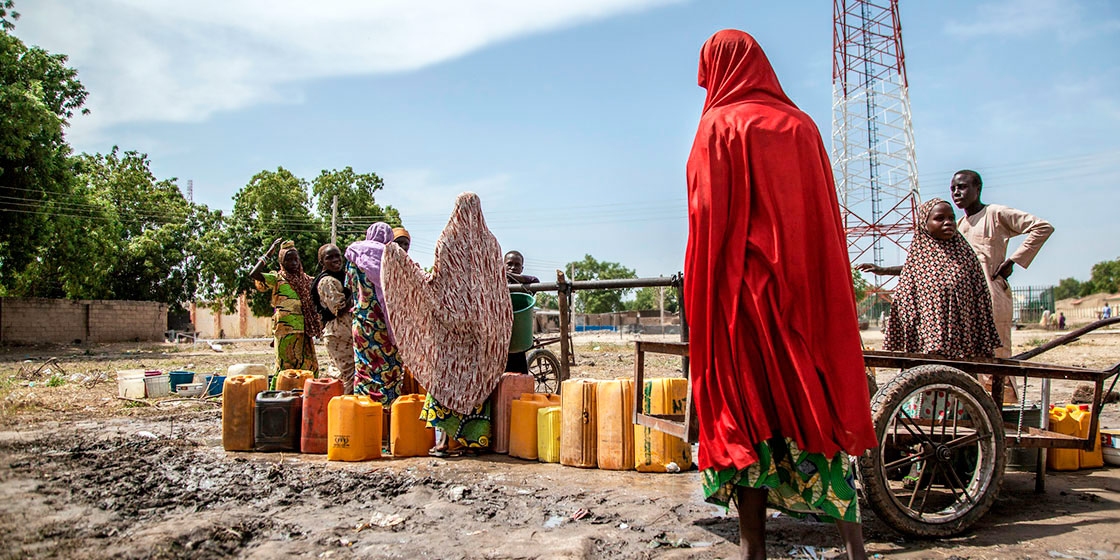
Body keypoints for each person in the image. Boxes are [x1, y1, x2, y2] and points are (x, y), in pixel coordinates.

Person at [684, 30, 877, 560]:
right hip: (807, 306)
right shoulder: (804, 127)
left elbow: (707, 226)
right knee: (817, 406)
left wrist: (704, 305)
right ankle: (854, 547)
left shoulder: (717, 127)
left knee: (749, 416)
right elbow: (824, 229)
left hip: (743, 307)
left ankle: (754, 550)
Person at [859, 199, 1002, 358]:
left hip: (963, 344)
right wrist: (883, 270)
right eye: (940, 218)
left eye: (951, 218)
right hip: (927, 345)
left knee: (963, 380)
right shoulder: (919, 259)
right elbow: (905, 297)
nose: (948, 223)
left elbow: (980, 297)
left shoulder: (966, 255)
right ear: (924, 224)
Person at [950, 170, 1053, 358]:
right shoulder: (958, 226)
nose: (957, 193)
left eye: (962, 187)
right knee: (971, 355)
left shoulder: (995, 213)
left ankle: (1002, 388)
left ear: (978, 189)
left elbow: (1043, 227)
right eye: (953, 189)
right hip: (965, 298)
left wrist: (1014, 260)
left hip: (992, 293)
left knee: (997, 353)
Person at [345, 223, 409, 404]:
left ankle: (363, 410)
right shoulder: (390, 257)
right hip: (384, 325)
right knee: (389, 370)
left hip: (361, 324)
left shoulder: (354, 257)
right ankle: (388, 413)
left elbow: (349, 287)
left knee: (364, 369)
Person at [249, 239, 321, 376]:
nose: (293, 263)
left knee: (309, 367)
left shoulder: (307, 281)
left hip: (304, 330)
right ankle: (278, 395)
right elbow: (254, 274)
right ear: (282, 262)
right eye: (289, 260)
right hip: (285, 331)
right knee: (284, 370)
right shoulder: (277, 278)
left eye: (296, 259)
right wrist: (268, 254)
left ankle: (306, 395)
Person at [312, 243, 356, 393]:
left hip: (345, 333)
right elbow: (339, 307)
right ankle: (345, 411)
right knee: (348, 375)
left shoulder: (340, 278)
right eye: (329, 257)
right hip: (338, 333)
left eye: (337, 255)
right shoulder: (327, 281)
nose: (336, 259)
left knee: (347, 374)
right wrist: (358, 291)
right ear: (322, 262)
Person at [504, 250, 539, 375]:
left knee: (519, 372)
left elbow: (535, 281)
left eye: (517, 265)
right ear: (503, 265)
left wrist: (511, 276)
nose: (513, 267)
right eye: (509, 264)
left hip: (518, 334)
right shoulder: (497, 282)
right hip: (501, 335)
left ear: (522, 268)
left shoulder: (525, 284)